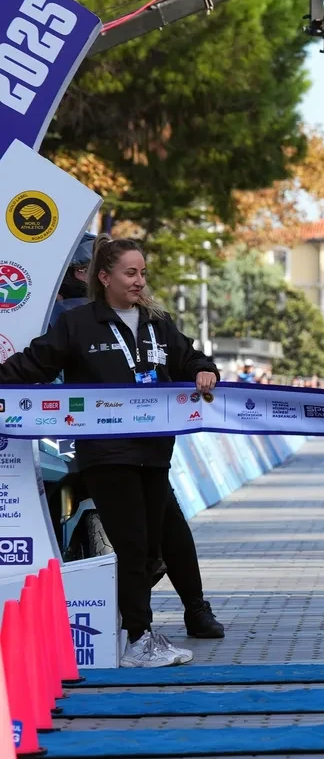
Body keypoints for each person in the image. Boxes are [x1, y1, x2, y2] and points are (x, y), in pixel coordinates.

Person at [0, 236, 221, 667]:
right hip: (106, 453)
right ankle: (138, 639)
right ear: (104, 277)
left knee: (153, 549)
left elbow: (189, 357)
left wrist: (204, 370)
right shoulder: (77, 324)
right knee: (133, 546)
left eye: (143, 273)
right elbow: (34, 364)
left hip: (155, 452)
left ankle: (135, 632)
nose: (139, 281)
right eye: (130, 273)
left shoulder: (159, 322)